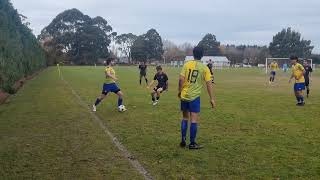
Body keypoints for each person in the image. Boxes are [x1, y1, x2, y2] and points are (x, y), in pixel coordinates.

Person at [178, 46, 216, 150]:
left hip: (184, 95)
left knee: (185, 118)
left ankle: (183, 140)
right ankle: (192, 143)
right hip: (194, 97)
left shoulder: (186, 64)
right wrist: (212, 98)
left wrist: (179, 91)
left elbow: (181, 80)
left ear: (193, 54)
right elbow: (209, 84)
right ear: (202, 55)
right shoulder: (205, 68)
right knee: (193, 120)